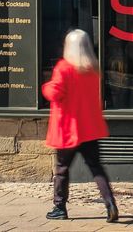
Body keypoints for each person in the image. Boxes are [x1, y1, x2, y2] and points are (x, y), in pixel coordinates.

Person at [43, 29, 118, 222]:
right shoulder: (93, 70)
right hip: (90, 128)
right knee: (96, 168)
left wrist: (46, 86)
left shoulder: (64, 68)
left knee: (61, 169)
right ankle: (110, 203)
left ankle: (59, 207)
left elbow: (54, 93)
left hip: (69, 129)